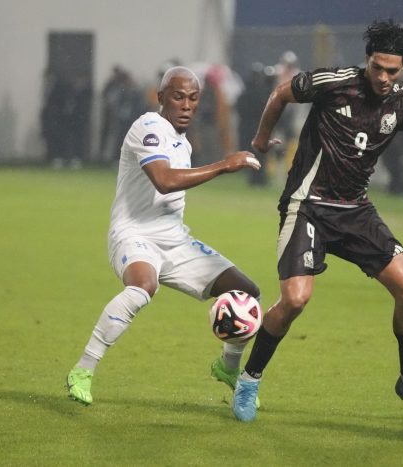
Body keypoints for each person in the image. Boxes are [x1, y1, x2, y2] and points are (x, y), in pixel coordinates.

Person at [228, 19, 403, 422]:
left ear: (402, 67)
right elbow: (281, 93)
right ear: (367, 61)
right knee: (296, 299)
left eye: (393, 70)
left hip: (355, 210)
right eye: (378, 68)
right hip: (308, 205)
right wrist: (262, 139)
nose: (385, 78)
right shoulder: (335, 82)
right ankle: (248, 381)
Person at [66, 66, 262, 406]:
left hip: (175, 239)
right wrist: (223, 165)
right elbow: (164, 180)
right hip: (133, 233)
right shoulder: (148, 126)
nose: (187, 105)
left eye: (194, 98)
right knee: (143, 287)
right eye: (178, 97)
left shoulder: (182, 142)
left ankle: (229, 368)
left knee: (246, 292)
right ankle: (83, 369)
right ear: (160, 98)